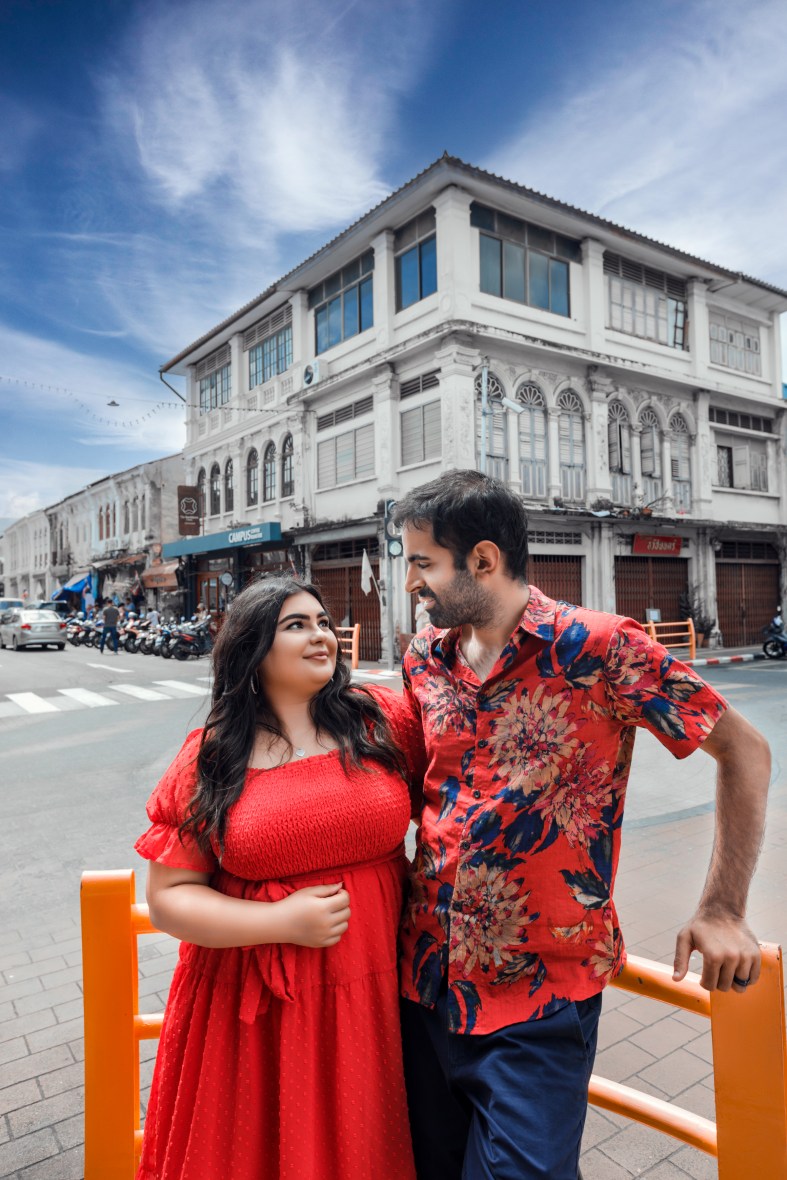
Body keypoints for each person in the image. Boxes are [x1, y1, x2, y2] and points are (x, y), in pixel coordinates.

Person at [393, 469, 770, 1180]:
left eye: (421, 563)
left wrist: (721, 907)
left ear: (481, 560)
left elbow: (743, 751)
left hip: (539, 999)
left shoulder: (600, 649)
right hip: (421, 985)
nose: (410, 582)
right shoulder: (425, 659)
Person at [134, 576, 424, 1180]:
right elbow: (167, 900)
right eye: (296, 625)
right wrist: (277, 921)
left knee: (374, 1142)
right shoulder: (213, 756)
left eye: (322, 622)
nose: (320, 635)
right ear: (252, 647)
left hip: (379, 990)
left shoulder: (381, 720)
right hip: (257, 1009)